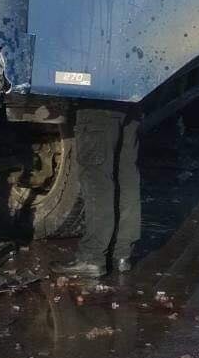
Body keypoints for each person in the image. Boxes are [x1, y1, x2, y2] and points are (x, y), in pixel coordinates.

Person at [53, 105, 141, 278]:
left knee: (97, 179)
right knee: (126, 175)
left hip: (99, 103)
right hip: (131, 102)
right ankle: (122, 254)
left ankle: (92, 257)